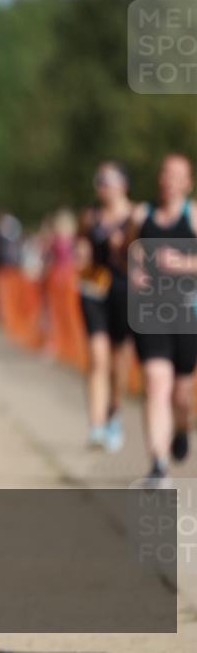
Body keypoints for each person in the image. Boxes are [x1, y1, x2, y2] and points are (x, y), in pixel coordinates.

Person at [126, 153, 196, 482]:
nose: (169, 180)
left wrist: (182, 264)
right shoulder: (142, 215)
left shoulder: (193, 216)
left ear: (188, 183)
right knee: (156, 384)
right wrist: (134, 268)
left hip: (186, 312)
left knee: (181, 394)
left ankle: (182, 429)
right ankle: (158, 465)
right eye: (165, 173)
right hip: (150, 310)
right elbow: (127, 251)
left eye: (177, 175)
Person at [75, 162, 134, 452]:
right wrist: (81, 255)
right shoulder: (90, 217)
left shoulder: (136, 216)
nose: (102, 185)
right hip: (94, 288)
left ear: (124, 184)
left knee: (118, 360)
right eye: (99, 180)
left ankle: (114, 411)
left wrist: (124, 247)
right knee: (97, 357)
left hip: (125, 290)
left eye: (108, 180)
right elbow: (82, 250)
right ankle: (96, 426)